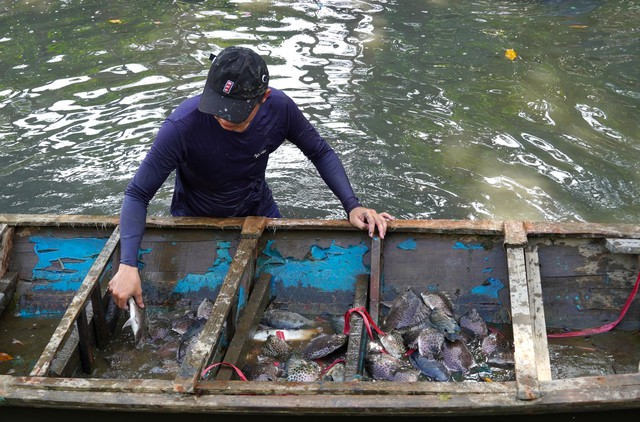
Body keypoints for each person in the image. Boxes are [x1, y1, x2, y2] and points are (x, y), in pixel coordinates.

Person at [108, 46, 394, 310]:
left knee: (285, 292)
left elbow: (319, 151)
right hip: (195, 219)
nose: (224, 119)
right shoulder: (183, 126)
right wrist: (127, 264)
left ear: (263, 97)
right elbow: (137, 194)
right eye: (218, 108)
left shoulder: (279, 109)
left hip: (259, 210)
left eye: (235, 114)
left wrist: (352, 205)